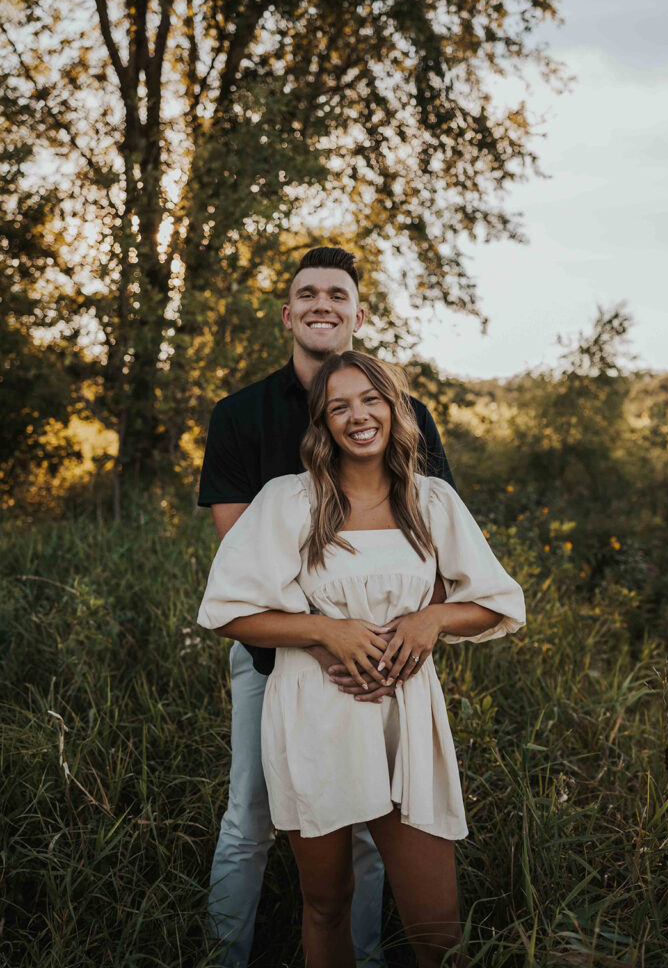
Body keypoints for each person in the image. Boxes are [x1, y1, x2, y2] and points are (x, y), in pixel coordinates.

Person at [198, 351, 526, 968]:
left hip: (407, 716)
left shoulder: (432, 502)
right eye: (339, 406)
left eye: (371, 400)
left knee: (437, 927)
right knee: (328, 903)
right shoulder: (288, 500)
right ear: (321, 423)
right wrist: (325, 632)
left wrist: (432, 619)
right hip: (314, 715)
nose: (358, 417)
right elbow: (227, 611)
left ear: (395, 408)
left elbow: (497, 602)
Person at [197, 246, 457, 967]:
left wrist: (392, 645)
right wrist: (326, 643)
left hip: (386, 663)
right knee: (250, 818)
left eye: (335, 294)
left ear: (356, 313)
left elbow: (432, 546)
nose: (321, 304)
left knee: (372, 826)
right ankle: (227, 957)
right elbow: (237, 564)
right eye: (306, 294)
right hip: (274, 661)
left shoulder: (406, 412)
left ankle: (363, 957)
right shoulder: (240, 413)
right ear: (288, 313)